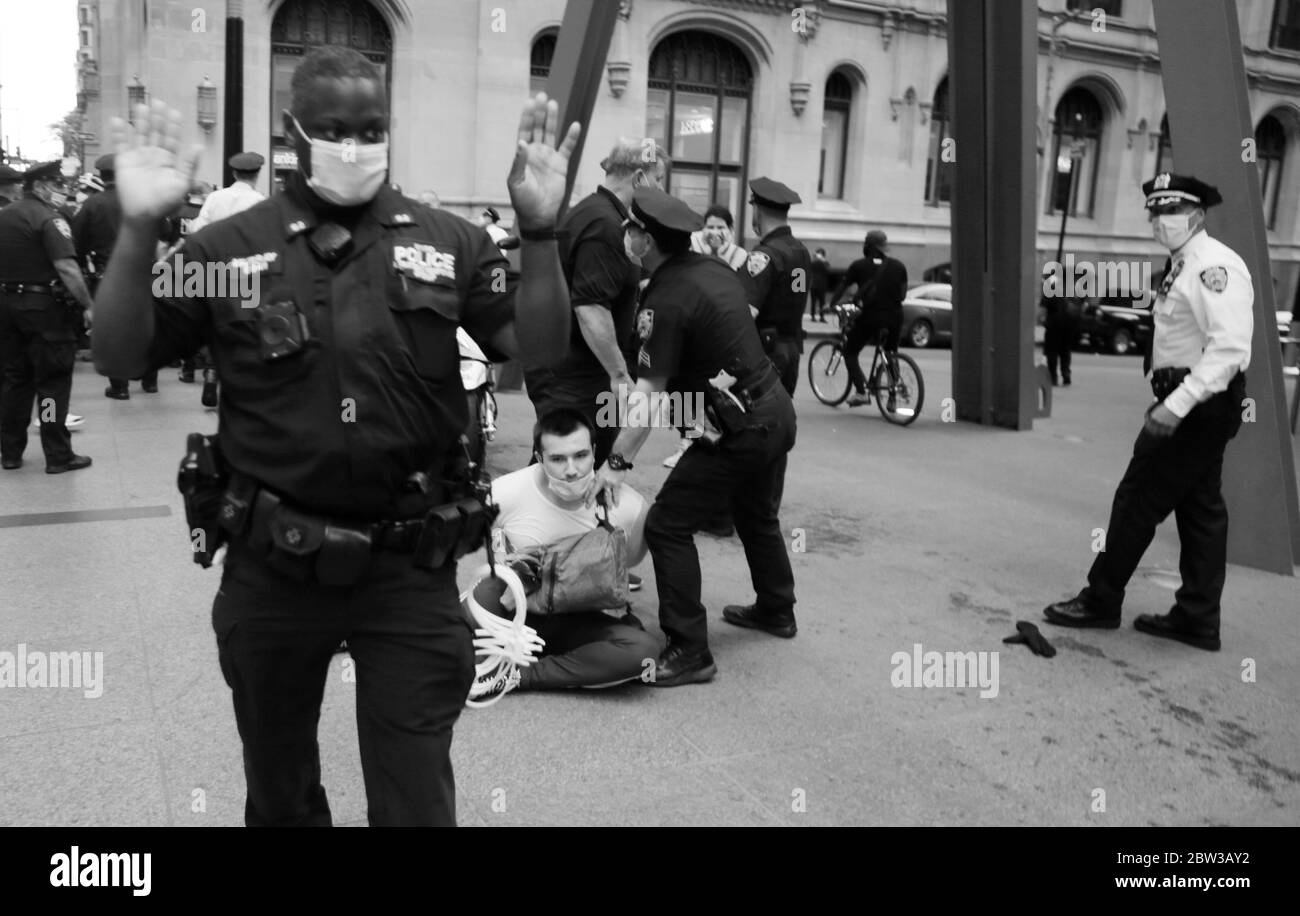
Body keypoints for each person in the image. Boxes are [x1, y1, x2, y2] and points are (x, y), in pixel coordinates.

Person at [91, 46, 578, 826]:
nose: (355, 144)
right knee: (279, 790)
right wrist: (140, 225)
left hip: (408, 569)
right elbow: (118, 353)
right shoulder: (228, 251)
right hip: (275, 568)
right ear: (294, 131)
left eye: (372, 126)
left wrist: (543, 230)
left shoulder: (450, 243)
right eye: (333, 128)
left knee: (417, 797)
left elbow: (541, 349)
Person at [590, 188, 798, 687]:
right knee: (755, 513)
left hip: (741, 427)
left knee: (666, 524)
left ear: (648, 240)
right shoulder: (710, 271)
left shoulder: (667, 299)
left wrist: (615, 465)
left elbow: (648, 394)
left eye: (631, 230)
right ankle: (777, 609)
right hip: (776, 412)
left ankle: (689, 649)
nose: (626, 236)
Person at [1042, 173, 1253, 652]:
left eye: (1169, 212)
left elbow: (1228, 350)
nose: (1159, 221)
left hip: (1196, 405)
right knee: (1201, 511)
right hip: (1196, 402)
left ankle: (1101, 600)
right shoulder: (1185, 263)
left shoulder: (1212, 267)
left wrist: (1174, 407)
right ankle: (1197, 618)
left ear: (1196, 216)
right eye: (1154, 213)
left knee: (1137, 499)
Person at [475, 408, 658, 700]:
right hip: (523, 613)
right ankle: (572, 665)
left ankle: (519, 675)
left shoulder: (631, 507)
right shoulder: (504, 492)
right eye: (558, 459)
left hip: (585, 619)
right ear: (539, 458)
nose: (571, 469)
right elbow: (482, 550)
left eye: (581, 456)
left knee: (645, 656)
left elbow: (631, 562)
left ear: (595, 452)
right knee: (472, 606)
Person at [523, 138, 666, 468]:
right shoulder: (605, 224)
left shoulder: (602, 215)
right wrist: (619, 377)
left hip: (578, 369)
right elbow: (590, 307)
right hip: (574, 375)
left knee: (573, 466)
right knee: (564, 468)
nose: (660, 190)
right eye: (658, 180)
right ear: (639, 179)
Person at [0, 160, 94, 473]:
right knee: (51, 385)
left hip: (7, 308)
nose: (62, 191)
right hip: (43, 312)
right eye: (57, 185)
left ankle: (10, 452)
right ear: (39, 187)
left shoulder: (5, 216)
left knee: (15, 381)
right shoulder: (49, 219)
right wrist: (88, 305)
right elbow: (67, 267)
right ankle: (57, 455)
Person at [73, 153, 158, 398]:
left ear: (101, 176)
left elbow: (77, 242)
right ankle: (150, 381)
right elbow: (164, 229)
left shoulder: (92, 204)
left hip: (108, 272)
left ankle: (119, 387)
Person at [738, 177, 810, 396]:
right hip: (791, 350)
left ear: (757, 210)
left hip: (764, 353)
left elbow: (745, 313)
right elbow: (798, 295)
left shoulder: (763, 256)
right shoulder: (801, 252)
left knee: (756, 421)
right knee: (781, 418)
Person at [831, 229, 908, 408]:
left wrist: (832, 304)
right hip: (895, 318)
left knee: (849, 352)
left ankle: (861, 392)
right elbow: (903, 295)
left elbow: (843, 285)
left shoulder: (858, 266)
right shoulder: (898, 266)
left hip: (871, 317)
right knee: (890, 355)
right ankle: (892, 398)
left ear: (867, 246)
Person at [160, 181, 212, 384]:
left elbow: (166, 241)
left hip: (179, 265)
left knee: (180, 316)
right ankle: (207, 364)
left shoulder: (176, 213)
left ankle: (185, 366)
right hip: (205, 267)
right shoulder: (209, 212)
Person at [189, 151, 266, 233]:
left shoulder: (214, 197)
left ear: (234, 174)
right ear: (257, 174)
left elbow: (197, 229)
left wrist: (191, 224)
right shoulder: (261, 201)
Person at [690, 205, 748, 271]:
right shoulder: (692, 247)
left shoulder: (738, 254)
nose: (715, 232)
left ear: (730, 229)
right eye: (710, 227)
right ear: (703, 229)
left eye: (720, 227)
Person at [809, 247, 830, 322]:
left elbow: (828, 268)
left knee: (822, 302)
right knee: (813, 302)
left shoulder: (824, 263)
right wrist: (816, 258)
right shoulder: (814, 262)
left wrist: (822, 260)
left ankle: (822, 316)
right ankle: (813, 316)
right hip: (814, 285)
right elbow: (810, 266)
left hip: (822, 286)